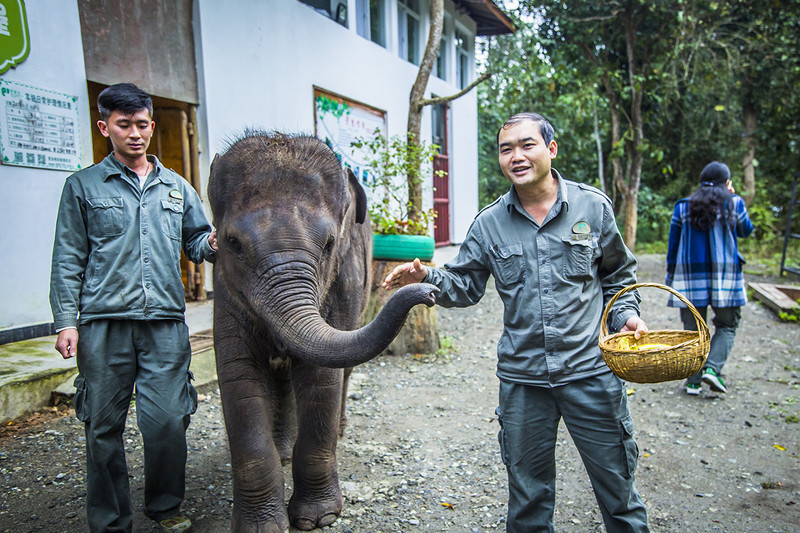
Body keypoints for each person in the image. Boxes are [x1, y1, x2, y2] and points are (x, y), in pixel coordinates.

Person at [383, 112, 650, 532]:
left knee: (619, 494)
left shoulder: (592, 207)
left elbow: (618, 277)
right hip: (524, 381)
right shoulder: (489, 223)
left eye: (527, 145)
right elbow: (465, 285)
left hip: (591, 374)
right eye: (506, 149)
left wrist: (626, 315)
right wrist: (426, 277)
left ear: (551, 149)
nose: (517, 156)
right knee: (528, 502)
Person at [49, 83, 218, 533]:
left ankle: (165, 505)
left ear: (152, 125)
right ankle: (110, 522)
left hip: (165, 325)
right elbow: (68, 258)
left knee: (168, 420)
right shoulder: (82, 186)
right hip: (104, 326)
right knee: (102, 428)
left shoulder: (177, 187)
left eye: (142, 124)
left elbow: (196, 241)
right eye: (124, 125)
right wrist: (66, 322)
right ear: (105, 127)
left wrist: (215, 243)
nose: (135, 133)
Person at [665, 161, 754, 396]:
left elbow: (673, 246)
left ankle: (693, 382)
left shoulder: (682, 207)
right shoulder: (734, 203)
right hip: (725, 279)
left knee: (693, 331)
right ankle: (712, 369)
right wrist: (733, 196)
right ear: (726, 183)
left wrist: (671, 276)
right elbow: (746, 230)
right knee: (727, 325)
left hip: (689, 280)